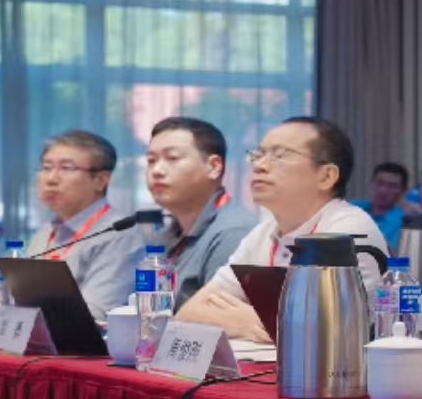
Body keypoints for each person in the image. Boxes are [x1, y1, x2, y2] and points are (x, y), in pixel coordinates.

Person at [177, 116, 389, 341]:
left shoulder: (347, 230)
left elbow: (328, 334)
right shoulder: (263, 233)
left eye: (280, 155)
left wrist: (254, 319)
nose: (259, 166)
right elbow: (188, 314)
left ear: (326, 176)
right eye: (258, 155)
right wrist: (260, 323)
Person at [27, 130, 145, 321]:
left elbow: (97, 315)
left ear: (100, 180)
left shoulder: (119, 234)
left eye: (66, 168)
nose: (51, 179)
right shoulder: (46, 231)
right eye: (46, 167)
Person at [145, 117, 257, 311]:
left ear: (213, 167)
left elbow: (218, 319)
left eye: (172, 158)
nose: (156, 170)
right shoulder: (165, 234)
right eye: (151, 161)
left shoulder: (233, 233)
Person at [352, 162, 409, 252]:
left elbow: (397, 257)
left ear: (403, 190)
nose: (383, 190)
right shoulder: (353, 207)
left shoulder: (403, 223)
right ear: (371, 183)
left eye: (392, 186)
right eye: (379, 183)